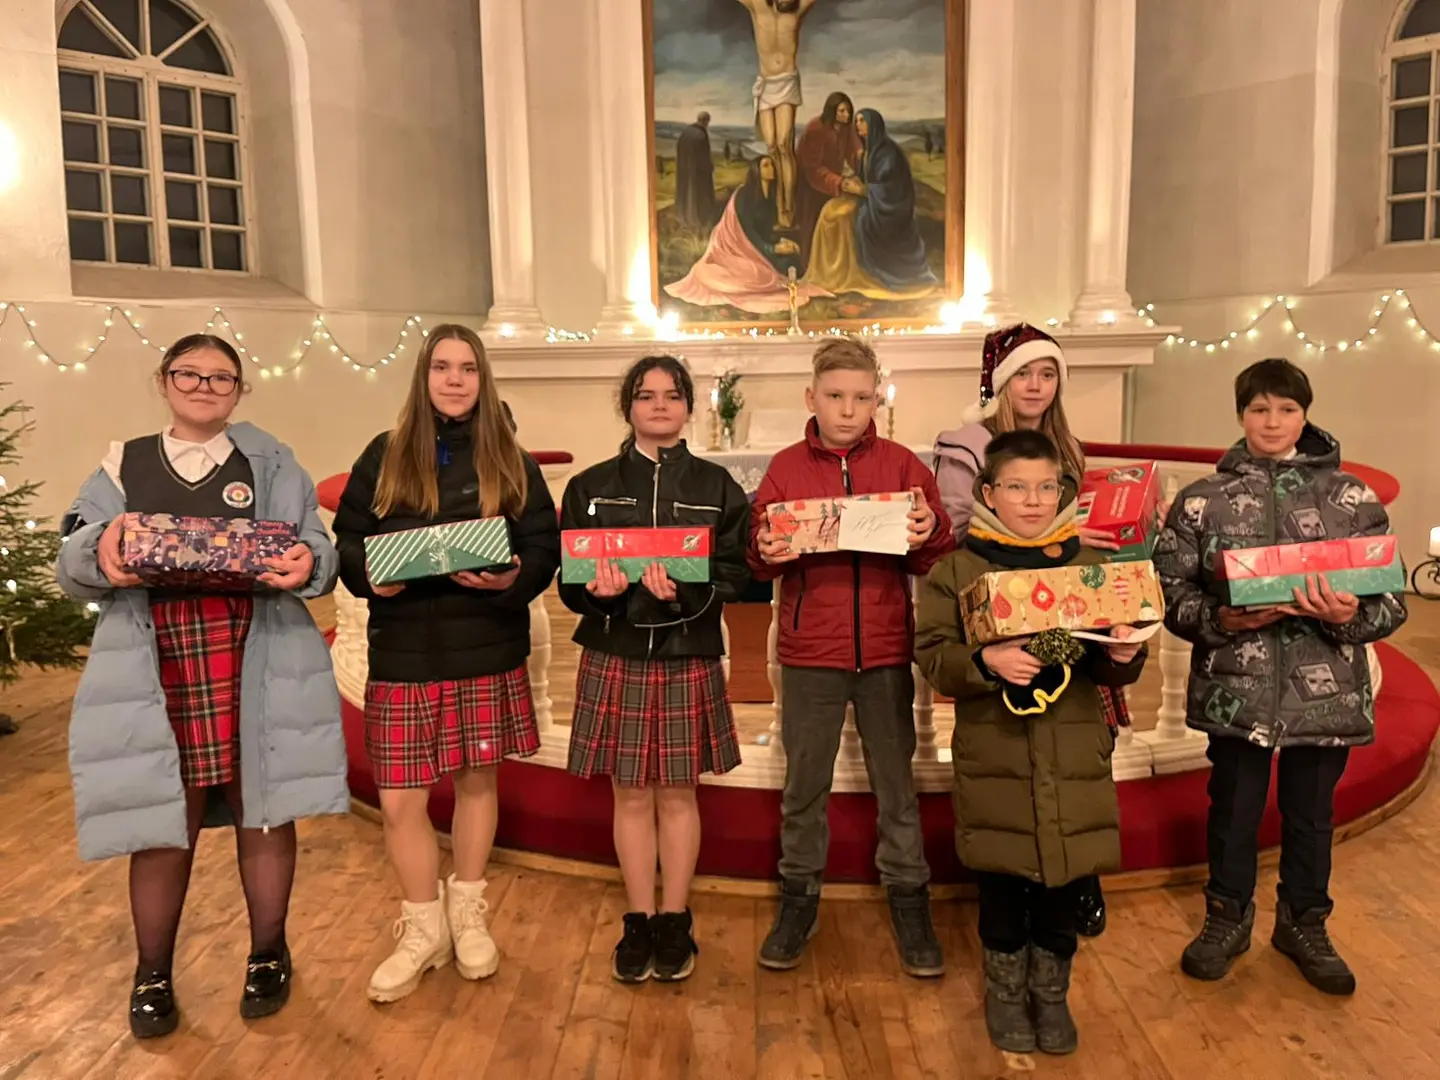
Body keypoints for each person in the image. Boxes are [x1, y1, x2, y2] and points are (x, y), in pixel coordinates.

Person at [56, 333, 348, 1038]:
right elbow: (72, 557)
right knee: (164, 819)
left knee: (264, 807)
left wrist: (309, 560)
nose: (204, 387)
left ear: (239, 391)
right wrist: (97, 551)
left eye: (221, 378)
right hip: (159, 659)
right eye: (189, 374)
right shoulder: (122, 463)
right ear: (164, 381)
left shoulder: (273, 463)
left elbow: (318, 548)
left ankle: (268, 954)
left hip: (257, 651)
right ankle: (152, 972)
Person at [1153, 357, 1407, 996]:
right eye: (1259, 408)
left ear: (1305, 414)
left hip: (1326, 695)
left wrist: (1350, 615)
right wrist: (1221, 618)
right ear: (1241, 414)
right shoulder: (1202, 500)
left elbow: (1391, 601)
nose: (1272, 421)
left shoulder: (1351, 498)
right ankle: (1226, 918)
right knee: (1233, 811)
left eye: (1287, 409)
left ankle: (1304, 924)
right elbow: (1168, 593)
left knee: (1311, 816)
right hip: (1235, 689)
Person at [332, 323, 560, 1003]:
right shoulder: (384, 454)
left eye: (467, 368)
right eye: (442, 367)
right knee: (400, 798)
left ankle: (468, 912)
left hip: (484, 645)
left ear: (482, 378)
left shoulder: (510, 459)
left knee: (476, 783)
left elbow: (542, 545)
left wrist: (512, 578)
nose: (455, 379)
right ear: (423, 377)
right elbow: (349, 542)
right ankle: (422, 928)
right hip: (404, 650)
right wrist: (374, 579)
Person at [914, 430, 1146, 1055]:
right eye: (1017, 487)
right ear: (989, 493)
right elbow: (933, 655)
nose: (1034, 500)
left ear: (1063, 492)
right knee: (1001, 885)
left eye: (1046, 487)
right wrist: (985, 661)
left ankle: (1051, 993)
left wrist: (1124, 653)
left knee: (1062, 886)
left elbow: (1110, 660)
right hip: (997, 754)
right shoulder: (957, 570)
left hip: (1073, 753)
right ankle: (1005, 992)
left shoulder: (1086, 567)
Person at [748, 336, 954, 977]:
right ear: (811, 397)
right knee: (803, 786)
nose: (847, 409)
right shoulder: (785, 468)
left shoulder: (903, 466)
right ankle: (798, 899)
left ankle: (909, 899)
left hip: (886, 651)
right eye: (835, 396)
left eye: (861, 398)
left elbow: (933, 552)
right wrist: (765, 550)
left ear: (876, 401)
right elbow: (758, 557)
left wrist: (931, 531)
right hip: (810, 653)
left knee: (897, 787)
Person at [559, 355, 751, 983]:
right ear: (629, 407)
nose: (660, 405)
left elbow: (737, 574)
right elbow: (570, 582)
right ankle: (638, 917)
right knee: (630, 792)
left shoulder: (718, 487)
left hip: (684, 651)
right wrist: (599, 594)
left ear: (689, 406)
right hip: (614, 650)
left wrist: (685, 595)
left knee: (678, 792)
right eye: (646, 395)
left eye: (672, 395)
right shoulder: (589, 486)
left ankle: (675, 918)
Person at [932, 321, 1120, 939]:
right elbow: (957, 530)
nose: (1036, 386)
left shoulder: (1065, 444)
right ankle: (1018, 904)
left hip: (1064, 604)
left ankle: (1076, 869)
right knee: (1013, 759)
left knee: (1079, 739)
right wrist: (1049, 536)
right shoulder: (969, 444)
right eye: (1023, 375)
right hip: (1003, 607)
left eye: (1047, 374)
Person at [664, 154, 832, 314]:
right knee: (759, 275)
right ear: (756, 171)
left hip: (758, 247)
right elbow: (746, 233)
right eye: (766, 165)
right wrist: (773, 249)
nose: (771, 168)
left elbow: (766, 231)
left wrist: (783, 242)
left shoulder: (770, 198)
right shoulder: (744, 196)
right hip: (735, 249)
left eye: (772, 165)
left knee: (793, 262)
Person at [802, 109, 938, 300]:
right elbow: (864, 177)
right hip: (872, 200)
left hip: (889, 209)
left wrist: (864, 190)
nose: (858, 125)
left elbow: (892, 189)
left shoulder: (888, 153)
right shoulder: (868, 151)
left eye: (862, 121)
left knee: (847, 217)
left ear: (874, 125)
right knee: (831, 211)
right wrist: (852, 184)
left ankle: (855, 271)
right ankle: (832, 272)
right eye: (857, 121)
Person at [736, 0, 819, 230]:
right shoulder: (757, 5)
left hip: (787, 82)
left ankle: (788, 206)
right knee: (771, 146)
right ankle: (775, 203)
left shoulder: (797, 8)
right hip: (766, 84)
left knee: (784, 145)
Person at [795, 91, 862, 266]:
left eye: (848, 111)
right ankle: (808, 268)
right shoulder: (816, 128)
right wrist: (840, 182)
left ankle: (832, 268)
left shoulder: (846, 129)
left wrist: (863, 161)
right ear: (832, 110)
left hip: (831, 183)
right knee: (812, 227)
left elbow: (854, 152)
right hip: (811, 185)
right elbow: (812, 167)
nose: (846, 115)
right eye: (841, 111)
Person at [674, 111, 717, 230]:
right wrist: (709, 167)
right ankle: (699, 221)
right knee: (698, 197)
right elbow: (704, 157)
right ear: (706, 121)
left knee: (686, 194)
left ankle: (684, 218)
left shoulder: (686, 132)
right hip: (698, 173)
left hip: (685, 170)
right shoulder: (701, 135)